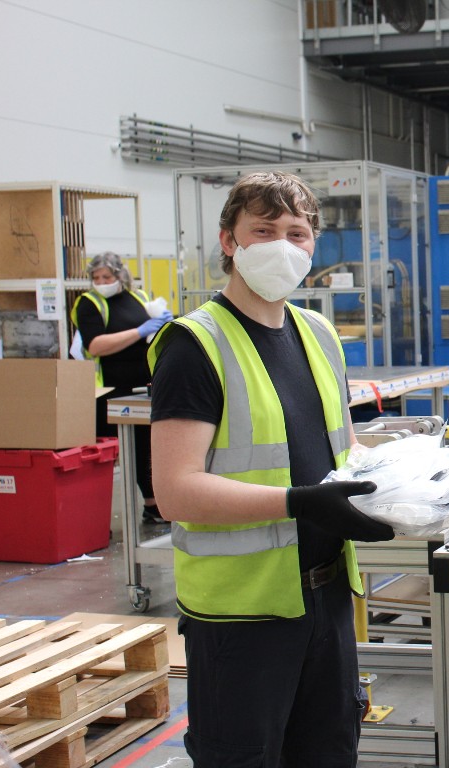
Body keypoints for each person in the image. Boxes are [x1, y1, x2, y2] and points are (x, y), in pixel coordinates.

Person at [148, 170, 395, 767]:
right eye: (263, 229)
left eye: (298, 232)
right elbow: (175, 491)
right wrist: (298, 502)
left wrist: (401, 481)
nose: (283, 245)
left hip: (329, 597)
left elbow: (343, 451)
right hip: (243, 616)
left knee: (330, 753)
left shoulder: (318, 333)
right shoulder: (195, 345)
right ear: (229, 241)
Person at [72, 252, 173, 523]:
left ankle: (154, 504)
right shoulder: (89, 304)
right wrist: (140, 331)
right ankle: (95, 515)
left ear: (120, 276)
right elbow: (95, 346)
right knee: (114, 452)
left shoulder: (138, 297)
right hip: (109, 390)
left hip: (143, 386)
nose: (101, 282)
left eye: (107, 276)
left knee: (148, 447)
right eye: (96, 278)